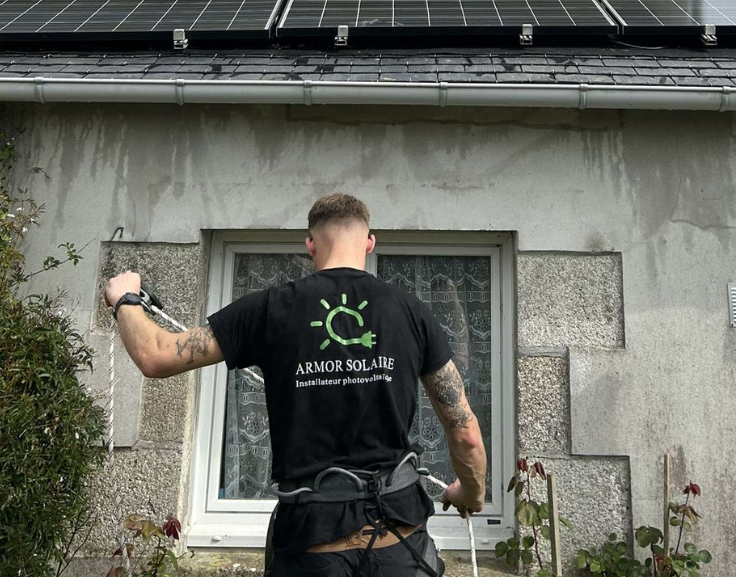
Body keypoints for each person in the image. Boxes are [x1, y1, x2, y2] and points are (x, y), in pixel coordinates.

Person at [104, 193, 488, 576]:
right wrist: (468, 493)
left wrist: (125, 298)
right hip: (400, 548)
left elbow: (154, 354)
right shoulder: (411, 312)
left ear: (310, 244)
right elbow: (465, 432)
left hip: (313, 551)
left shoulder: (271, 309)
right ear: (370, 243)